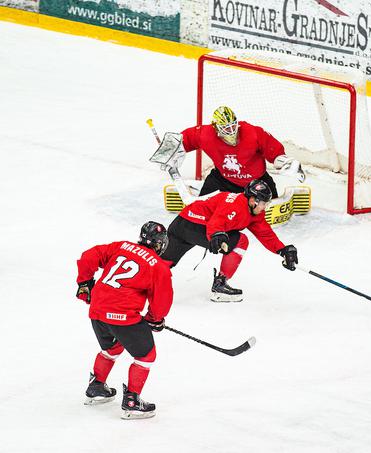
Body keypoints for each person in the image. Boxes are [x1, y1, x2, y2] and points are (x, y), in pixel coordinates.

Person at [76, 221, 173, 419]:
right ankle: (132, 401)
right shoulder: (158, 266)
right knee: (146, 355)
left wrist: (85, 283)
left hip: (97, 311)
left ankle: (96, 387)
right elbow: (162, 300)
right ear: (159, 244)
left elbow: (88, 256)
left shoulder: (121, 246)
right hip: (123, 317)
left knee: (112, 348)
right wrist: (155, 319)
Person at [161, 179, 298, 302]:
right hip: (196, 226)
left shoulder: (254, 212)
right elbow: (216, 222)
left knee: (162, 263)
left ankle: (145, 283)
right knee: (241, 241)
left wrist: (282, 250)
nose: (264, 207)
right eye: (263, 203)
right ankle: (220, 284)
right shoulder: (235, 205)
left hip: (181, 223)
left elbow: (265, 234)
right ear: (252, 200)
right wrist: (217, 235)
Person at [181, 106, 303, 198]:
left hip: (257, 181)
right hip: (223, 180)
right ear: (216, 128)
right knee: (203, 207)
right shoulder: (206, 135)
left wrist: (282, 161)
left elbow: (273, 148)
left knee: (269, 207)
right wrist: (172, 147)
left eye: (233, 126)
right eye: (226, 128)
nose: (232, 131)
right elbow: (186, 139)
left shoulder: (253, 132)